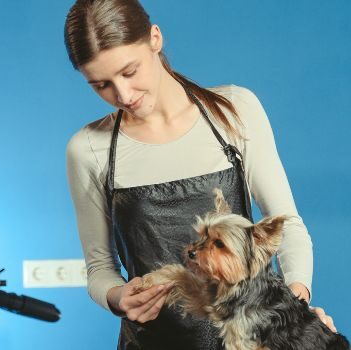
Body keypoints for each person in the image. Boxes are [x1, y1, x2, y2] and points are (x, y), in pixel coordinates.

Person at [64, 0, 336, 349]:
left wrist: (296, 313)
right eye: (100, 84)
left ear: (155, 39)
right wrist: (118, 297)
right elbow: (99, 267)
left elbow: (288, 226)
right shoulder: (88, 149)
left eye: (130, 72)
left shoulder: (234, 111)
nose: (123, 95)